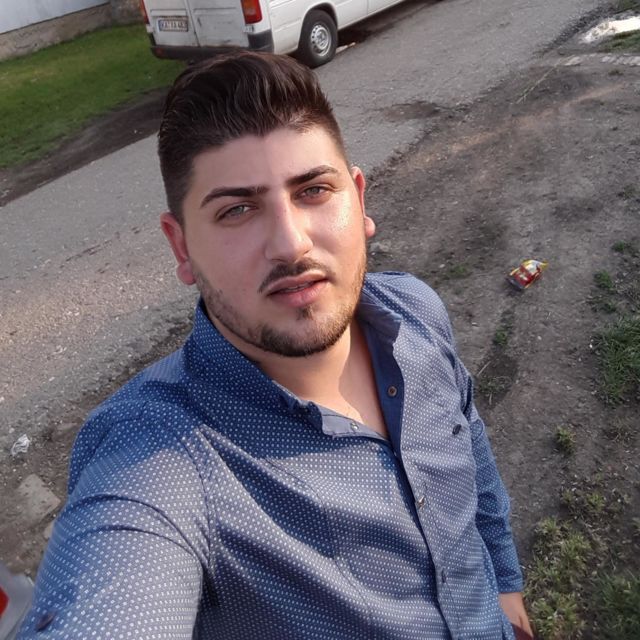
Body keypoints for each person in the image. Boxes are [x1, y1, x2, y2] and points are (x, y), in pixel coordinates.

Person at [18, 52, 533, 640]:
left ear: (359, 200)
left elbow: (469, 443)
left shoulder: (416, 312)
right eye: (237, 209)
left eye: (313, 190)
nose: (290, 244)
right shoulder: (158, 459)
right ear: (181, 248)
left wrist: (505, 588)